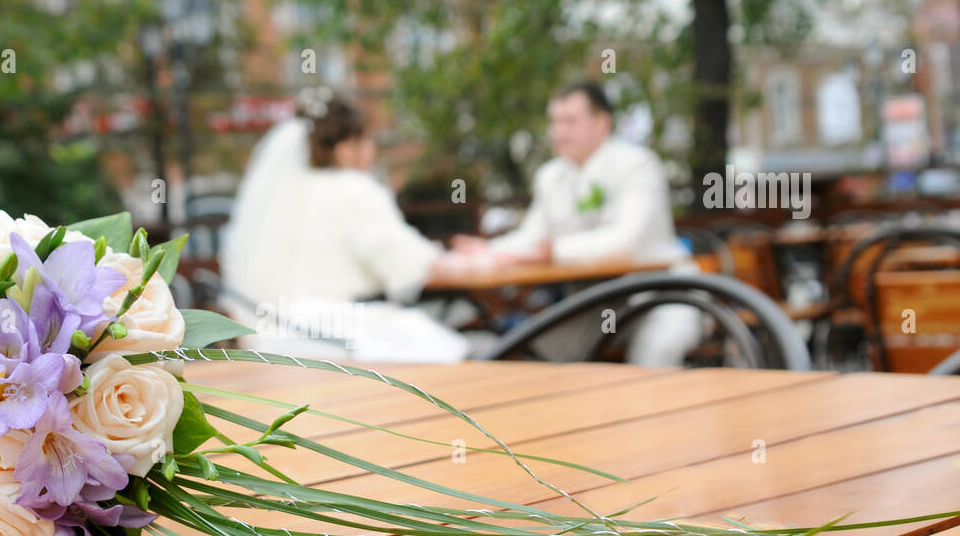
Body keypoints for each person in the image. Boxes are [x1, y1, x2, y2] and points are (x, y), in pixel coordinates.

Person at [456, 81, 700, 366]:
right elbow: (532, 237)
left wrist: (554, 252)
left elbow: (626, 242)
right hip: (594, 305)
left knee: (655, 354)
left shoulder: (638, 165)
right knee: (537, 348)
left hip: (660, 299)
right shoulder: (550, 176)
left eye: (570, 121)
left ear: (602, 123)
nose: (559, 133)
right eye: (554, 122)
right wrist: (489, 250)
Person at [220, 90, 474, 362]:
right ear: (345, 149)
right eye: (367, 141)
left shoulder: (279, 196)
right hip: (335, 341)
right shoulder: (354, 189)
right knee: (451, 351)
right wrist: (475, 260)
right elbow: (410, 266)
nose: (372, 151)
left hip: (276, 342)